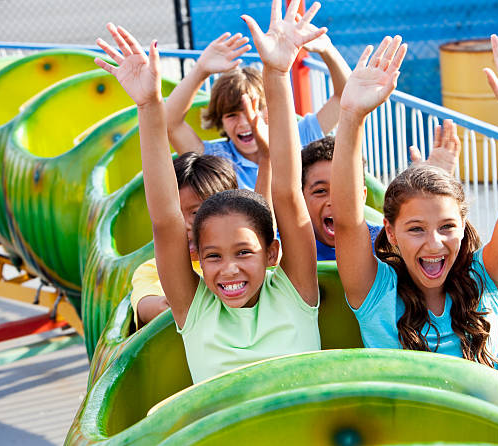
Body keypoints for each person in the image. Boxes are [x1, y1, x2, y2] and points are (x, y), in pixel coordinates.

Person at [94, 2, 324, 383]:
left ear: (272, 252)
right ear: (197, 256)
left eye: (244, 252)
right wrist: (149, 106)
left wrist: (278, 73)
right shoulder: (195, 308)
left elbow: (286, 193)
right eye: (213, 255)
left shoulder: (295, 291)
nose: (229, 268)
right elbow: (165, 219)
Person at [330, 29, 498, 367]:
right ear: (391, 231)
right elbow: (346, 218)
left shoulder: (482, 281)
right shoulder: (376, 293)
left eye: (446, 227)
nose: (434, 243)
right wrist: (352, 116)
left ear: (462, 226)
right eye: (416, 229)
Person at [164, 13, 351, 190]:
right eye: (232, 115)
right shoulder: (217, 159)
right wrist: (201, 70)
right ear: (220, 120)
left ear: (272, 108)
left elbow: (345, 97)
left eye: (255, 109)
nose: (245, 122)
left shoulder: (298, 136)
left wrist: (328, 50)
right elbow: (169, 123)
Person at [302, 127, 460, 261]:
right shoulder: (284, 246)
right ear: (301, 198)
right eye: (321, 191)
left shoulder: (386, 242)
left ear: (363, 196)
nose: (336, 200)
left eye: (346, 190)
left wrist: (433, 194)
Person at [130, 151, 238, 329]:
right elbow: (153, 308)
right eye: (173, 215)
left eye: (195, 213)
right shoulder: (153, 269)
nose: (185, 225)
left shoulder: (248, 259)